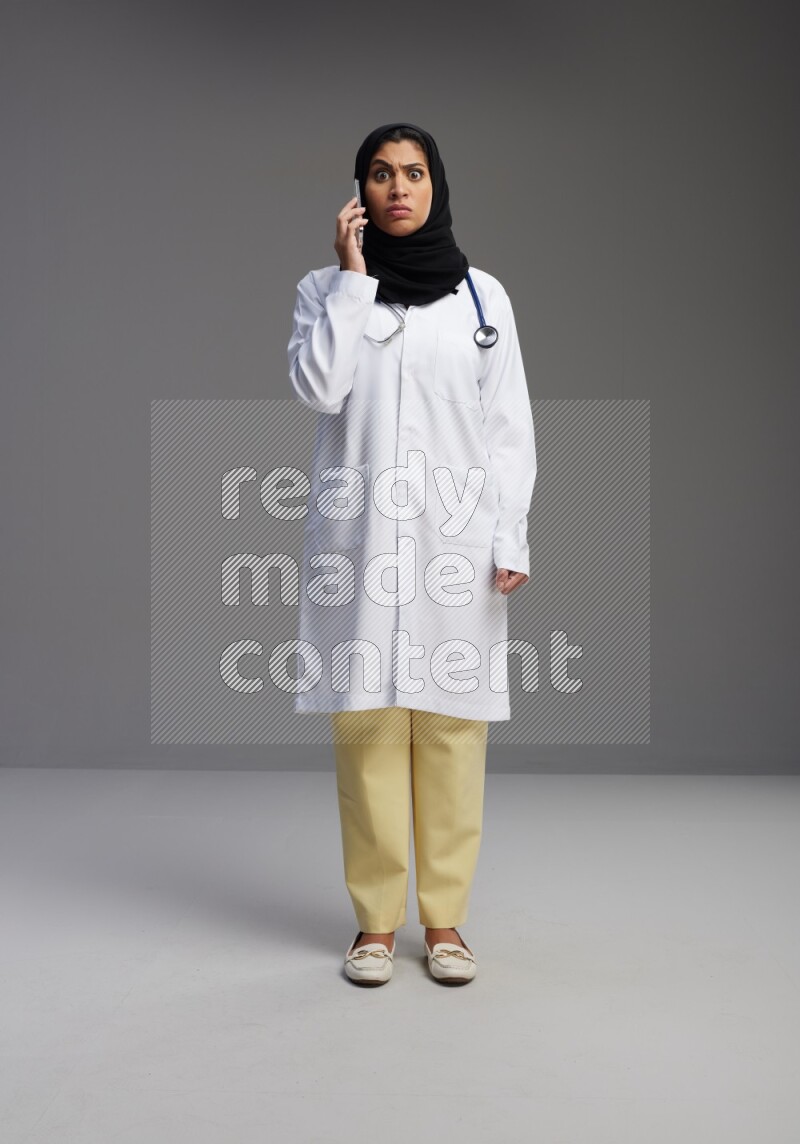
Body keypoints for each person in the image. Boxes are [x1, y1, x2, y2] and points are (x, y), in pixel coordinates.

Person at [287, 122, 537, 986]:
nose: (399, 188)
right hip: (361, 543)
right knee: (366, 732)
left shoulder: (483, 299)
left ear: (437, 187)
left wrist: (512, 535)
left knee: (451, 735)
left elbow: (508, 429)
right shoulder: (324, 290)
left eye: (415, 173)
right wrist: (354, 285)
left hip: (452, 545)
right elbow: (319, 387)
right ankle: (373, 926)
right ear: (359, 193)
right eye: (382, 174)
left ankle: (446, 924)